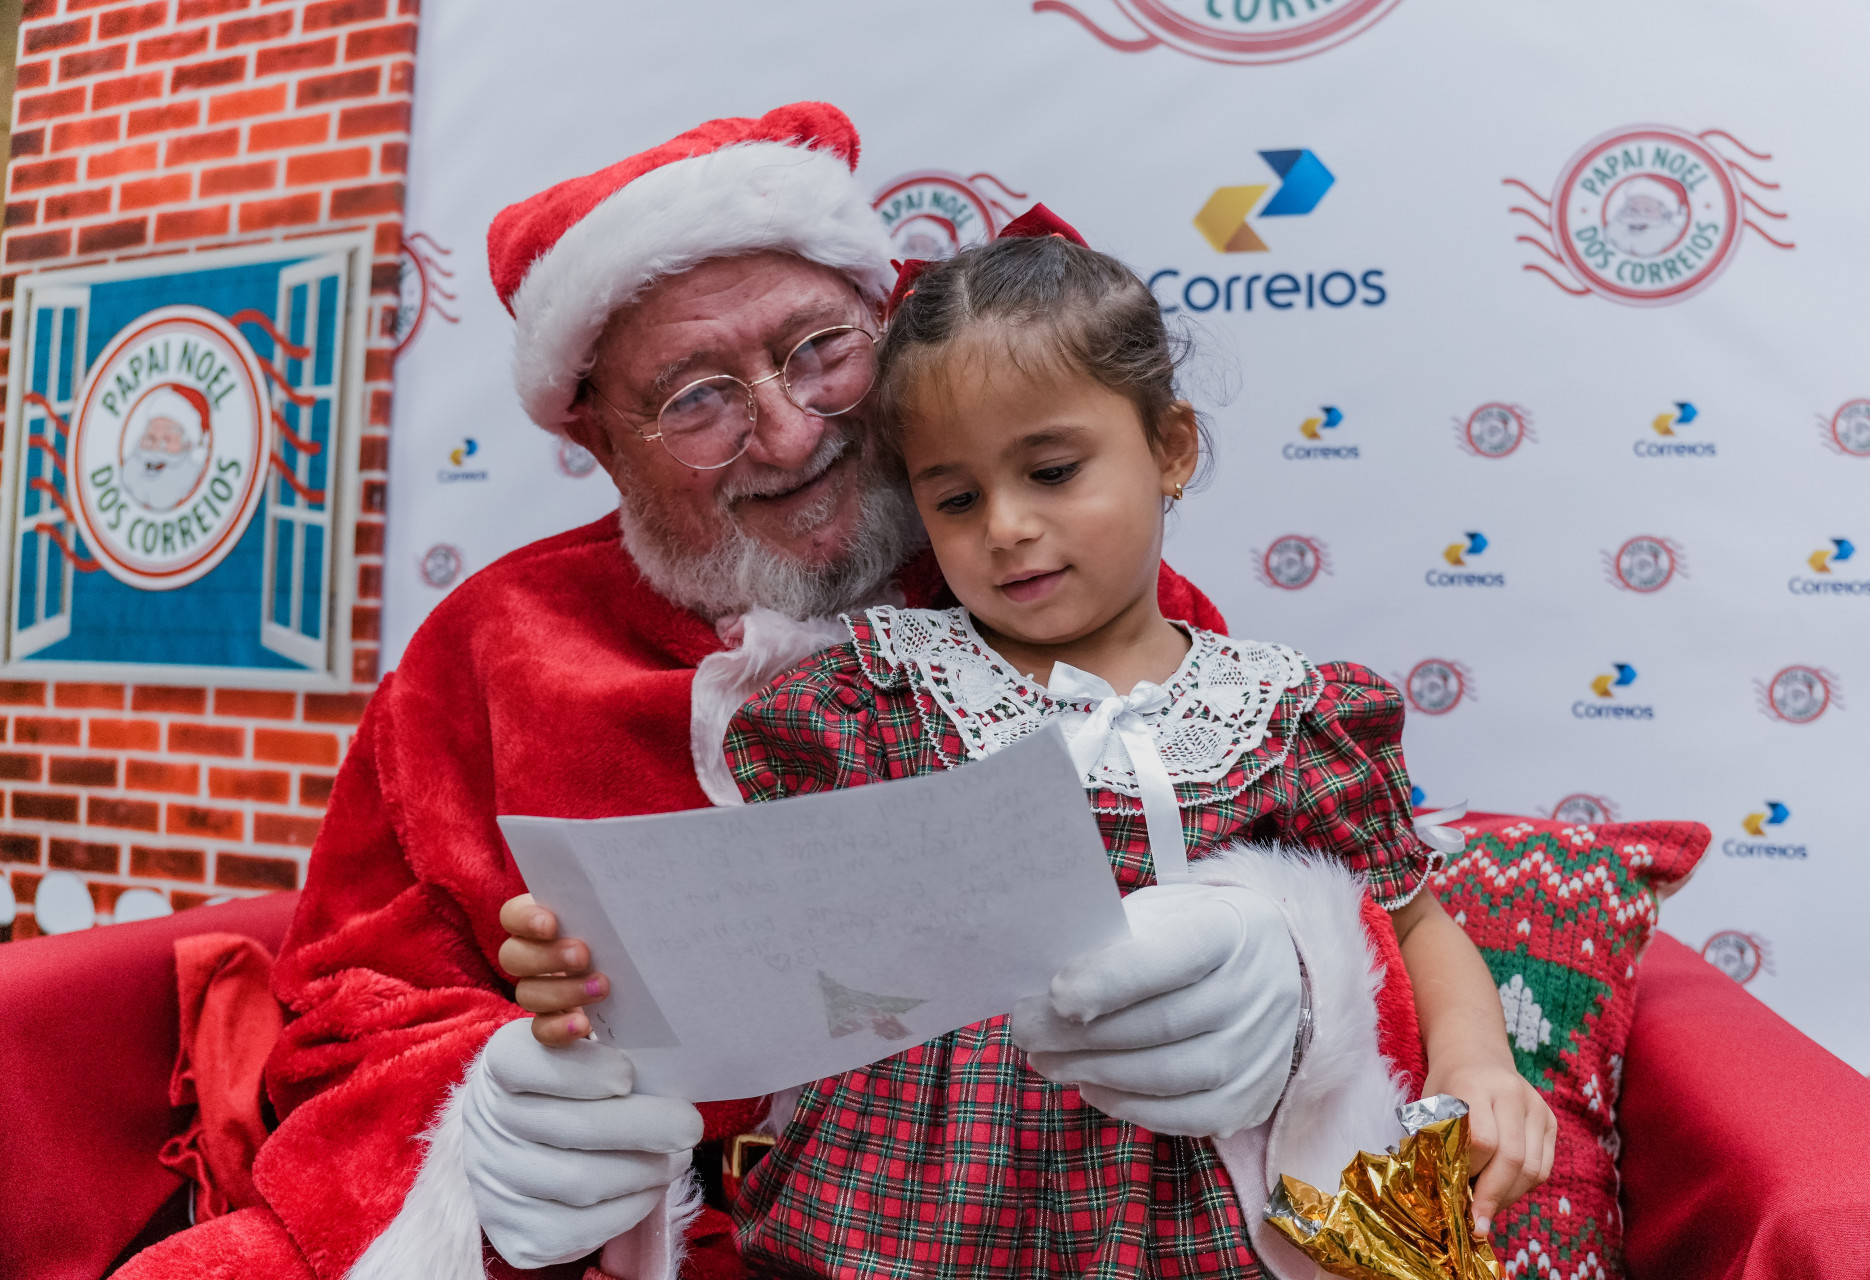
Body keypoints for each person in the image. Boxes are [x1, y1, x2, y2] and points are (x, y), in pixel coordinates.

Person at [115, 104, 1227, 1280]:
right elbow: (351, 1001)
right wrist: (488, 1115)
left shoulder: (1056, 586)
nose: (790, 435)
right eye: (697, 397)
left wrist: (1274, 965)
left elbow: (1294, 850)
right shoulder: (488, 652)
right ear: (603, 442)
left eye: (821, 350)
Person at [496, 211, 1554, 1279]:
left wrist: (1479, 1064)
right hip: (906, 1214)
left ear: (1171, 448)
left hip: (1182, 1213)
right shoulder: (874, 695)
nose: (1004, 526)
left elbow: (1413, 917)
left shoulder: (1286, 712)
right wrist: (595, 964)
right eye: (956, 498)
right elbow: (766, 927)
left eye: (1051, 472)